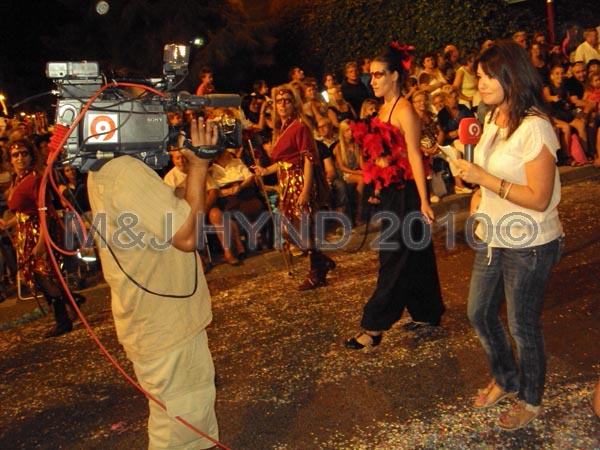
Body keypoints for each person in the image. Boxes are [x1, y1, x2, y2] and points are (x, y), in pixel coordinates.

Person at [88, 118, 220, 449]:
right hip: (165, 322)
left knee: (180, 421)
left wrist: (189, 177)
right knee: (184, 431)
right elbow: (187, 235)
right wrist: (200, 165)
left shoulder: (105, 166)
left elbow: (166, 206)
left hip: (152, 318)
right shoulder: (126, 172)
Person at [454, 41, 564, 431]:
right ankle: (505, 377)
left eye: (486, 77)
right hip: (493, 236)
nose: (479, 83)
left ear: (510, 78)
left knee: (522, 324)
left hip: (531, 242)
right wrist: (476, 193)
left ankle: (531, 400)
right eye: (479, 76)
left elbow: (538, 198)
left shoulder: (535, 127)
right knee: (479, 312)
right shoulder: (491, 119)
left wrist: (486, 180)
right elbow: (485, 178)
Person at [344, 42, 445, 350]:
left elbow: (416, 157)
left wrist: (425, 201)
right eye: (370, 76)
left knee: (394, 256)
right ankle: (428, 311)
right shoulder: (382, 109)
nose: (372, 81)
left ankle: (373, 326)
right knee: (416, 251)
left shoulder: (404, 111)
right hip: (390, 192)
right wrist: (375, 183)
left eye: (378, 75)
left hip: (407, 194)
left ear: (395, 77)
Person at [253, 84, 335, 290]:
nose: (282, 105)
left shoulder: (299, 127)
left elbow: (308, 159)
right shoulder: (280, 129)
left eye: (287, 101)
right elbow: (283, 161)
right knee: (292, 229)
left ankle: (317, 271)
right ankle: (321, 262)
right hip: (285, 181)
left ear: (294, 103)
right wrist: (265, 171)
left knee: (301, 228)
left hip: (299, 181)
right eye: (279, 101)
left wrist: (306, 190)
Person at [0, 139, 83, 337]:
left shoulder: (36, 178)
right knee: (37, 277)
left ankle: (64, 318)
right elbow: (21, 210)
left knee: (44, 275)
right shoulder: (17, 179)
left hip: (40, 231)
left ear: (31, 156)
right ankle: (71, 302)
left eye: (24, 153)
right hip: (25, 232)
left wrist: (42, 242)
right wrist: (8, 224)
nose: (20, 157)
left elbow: (45, 211)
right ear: (10, 159)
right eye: (15, 154)